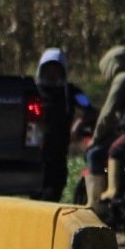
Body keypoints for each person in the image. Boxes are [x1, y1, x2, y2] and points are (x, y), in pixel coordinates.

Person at [86, 46, 125, 207]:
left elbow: (107, 113)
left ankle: (96, 204)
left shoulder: (123, 79)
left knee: (96, 153)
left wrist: (96, 138)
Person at [32, 48, 87, 203]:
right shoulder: (35, 91)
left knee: (55, 189)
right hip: (38, 153)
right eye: (48, 69)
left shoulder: (70, 92)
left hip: (59, 151)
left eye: (56, 70)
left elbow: (88, 108)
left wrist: (79, 122)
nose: (52, 74)